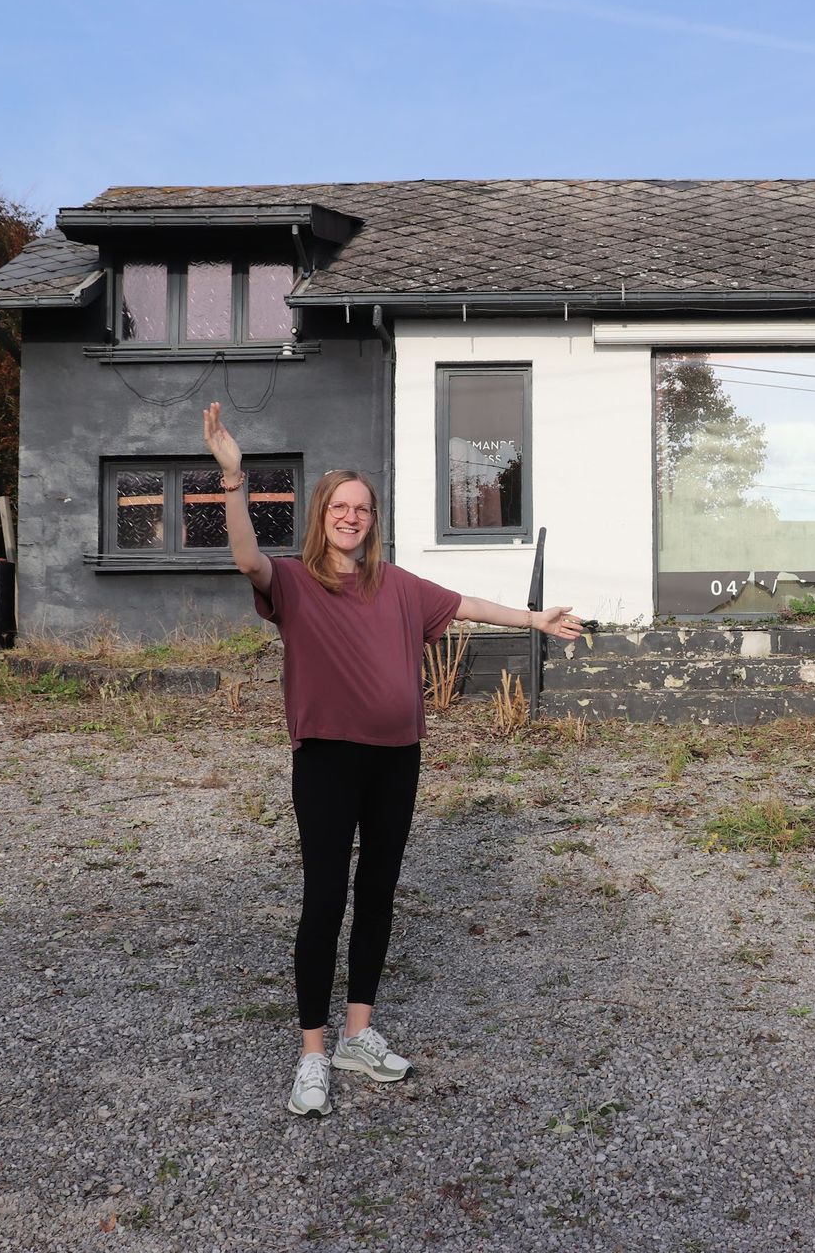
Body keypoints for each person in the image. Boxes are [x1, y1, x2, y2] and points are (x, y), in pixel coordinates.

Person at [203, 401, 584, 1118]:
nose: (352, 517)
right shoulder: (291, 582)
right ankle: (312, 1051)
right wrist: (233, 480)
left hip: (396, 760)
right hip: (326, 759)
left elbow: (467, 602)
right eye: (341, 507)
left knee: (377, 892)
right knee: (326, 898)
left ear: (372, 520)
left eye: (363, 509)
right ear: (322, 515)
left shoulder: (398, 584)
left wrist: (534, 618)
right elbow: (245, 556)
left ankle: (357, 1033)